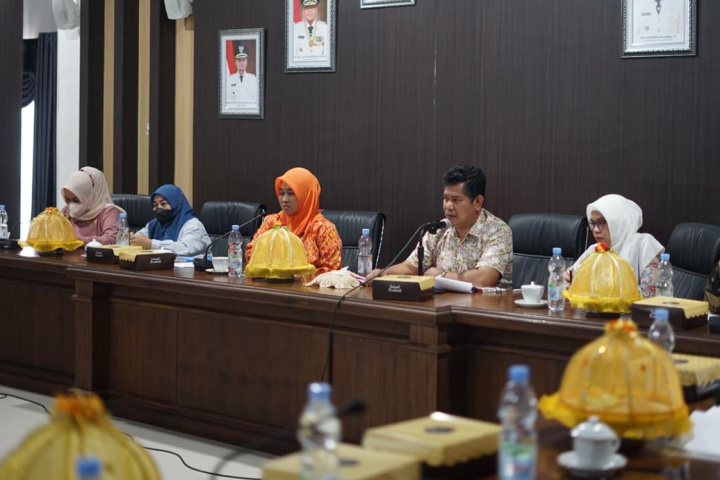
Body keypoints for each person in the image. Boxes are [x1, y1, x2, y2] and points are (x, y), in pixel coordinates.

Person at [367, 164, 513, 288]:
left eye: (456, 200)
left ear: (478, 202)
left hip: (484, 313)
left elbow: (483, 279)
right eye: (445, 198)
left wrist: (441, 277)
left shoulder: (498, 231)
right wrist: (383, 274)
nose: (448, 206)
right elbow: (410, 267)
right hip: (443, 310)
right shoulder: (439, 230)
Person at [246, 167, 341, 274]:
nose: (285, 199)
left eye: (291, 194)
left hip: (307, 289)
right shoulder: (271, 222)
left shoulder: (323, 229)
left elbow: (331, 271)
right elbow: (251, 253)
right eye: (281, 193)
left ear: (306, 195)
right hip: (270, 286)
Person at [567, 194, 664, 298]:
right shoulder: (595, 249)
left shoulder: (644, 244)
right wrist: (568, 283)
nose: (595, 230)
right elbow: (567, 279)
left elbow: (650, 294)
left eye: (601, 223)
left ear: (618, 222)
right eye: (593, 223)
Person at [130, 184, 210, 256]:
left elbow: (187, 248)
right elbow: (140, 237)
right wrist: (132, 239)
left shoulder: (192, 224)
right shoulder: (154, 225)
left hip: (196, 271)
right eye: (155, 205)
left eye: (163, 204)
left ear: (177, 203)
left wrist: (151, 244)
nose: (158, 208)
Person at [61, 166, 124, 245]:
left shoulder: (108, 212)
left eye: (76, 200)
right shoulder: (67, 210)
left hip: (96, 256)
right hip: (67, 257)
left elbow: (112, 239)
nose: (71, 205)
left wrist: (79, 241)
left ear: (90, 195)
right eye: (67, 200)